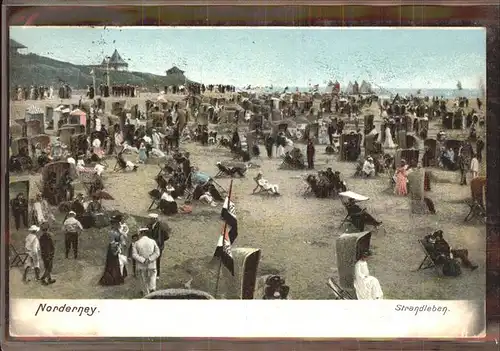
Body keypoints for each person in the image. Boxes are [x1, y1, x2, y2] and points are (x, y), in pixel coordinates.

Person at [99, 215, 128, 286]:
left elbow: (123, 239)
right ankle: (112, 279)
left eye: (118, 223)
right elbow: (112, 242)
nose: (118, 225)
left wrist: (122, 243)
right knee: (113, 263)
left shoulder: (119, 231)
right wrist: (117, 247)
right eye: (116, 224)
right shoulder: (112, 232)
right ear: (113, 224)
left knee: (119, 262)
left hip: (118, 248)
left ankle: (119, 277)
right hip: (113, 249)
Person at [132, 227, 160, 296]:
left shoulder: (136, 243)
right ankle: (152, 289)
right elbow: (157, 252)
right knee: (152, 276)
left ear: (141, 233)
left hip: (141, 265)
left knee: (143, 279)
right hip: (151, 264)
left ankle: (146, 293)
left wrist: (143, 260)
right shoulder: (152, 241)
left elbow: (134, 255)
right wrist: (150, 259)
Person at [147, 213, 171, 279]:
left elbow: (166, 236)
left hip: (158, 246)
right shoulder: (149, 225)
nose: (149, 220)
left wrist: (161, 242)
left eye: (150, 219)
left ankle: (157, 274)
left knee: (157, 260)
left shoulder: (161, 227)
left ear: (154, 219)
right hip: (151, 245)